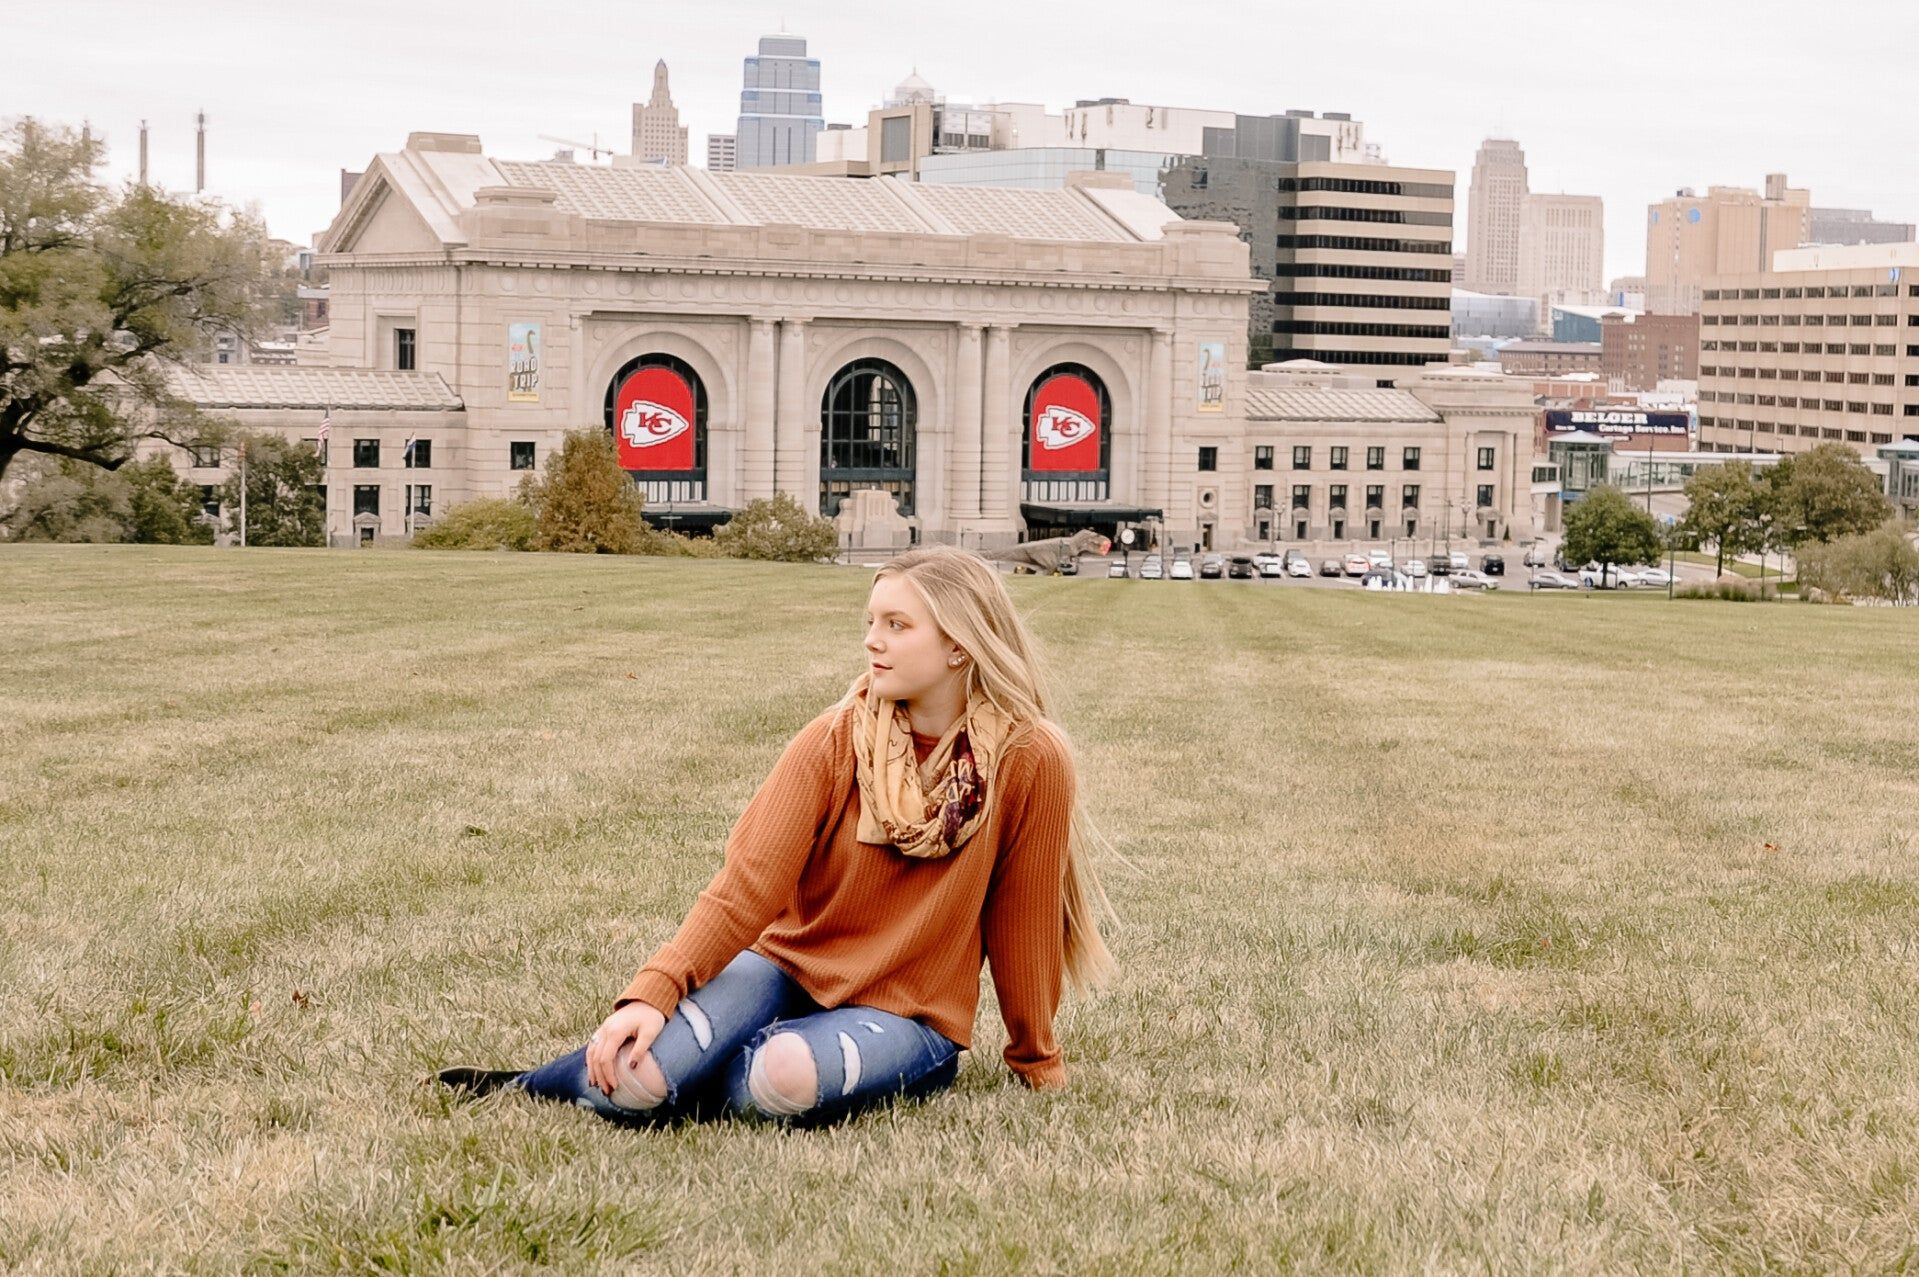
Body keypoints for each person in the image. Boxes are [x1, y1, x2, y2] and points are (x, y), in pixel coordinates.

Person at [438, 545, 1125, 1128]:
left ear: (957, 644)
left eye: (896, 623)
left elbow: (1023, 921)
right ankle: (545, 1079)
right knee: (634, 1083)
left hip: (907, 1011)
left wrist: (1036, 1057)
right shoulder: (833, 739)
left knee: (781, 1079)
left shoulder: (1030, 756)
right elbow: (747, 886)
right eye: (870, 621)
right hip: (784, 971)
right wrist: (653, 992)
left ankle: (717, 1066)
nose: (871, 640)